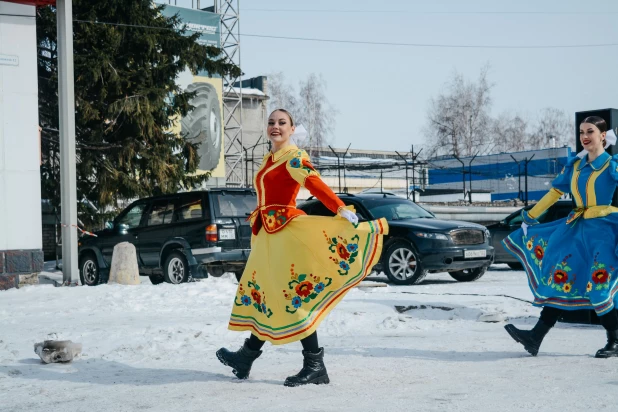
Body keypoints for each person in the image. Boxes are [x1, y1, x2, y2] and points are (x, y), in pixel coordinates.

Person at [216, 109, 388, 386]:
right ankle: (245, 357)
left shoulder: (294, 157)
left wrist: (339, 207)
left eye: (282, 123)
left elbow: (313, 182)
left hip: (285, 234)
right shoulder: (271, 158)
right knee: (269, 294)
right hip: (268, 235)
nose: (275, 127)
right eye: (271, 122)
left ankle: (315, 365)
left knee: (292, 294)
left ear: (292, 129)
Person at [502, 116, 618, 358]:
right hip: (576, 232)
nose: (585, 136)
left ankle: (614, 340)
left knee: (599, 290)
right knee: (560, 280)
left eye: (590, 131)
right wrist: (529, 216)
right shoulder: (575, 166)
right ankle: (535, 337)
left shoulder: (612, 165)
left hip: (604, 234)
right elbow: (555, 193)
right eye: (581, 132)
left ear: (603, 136)